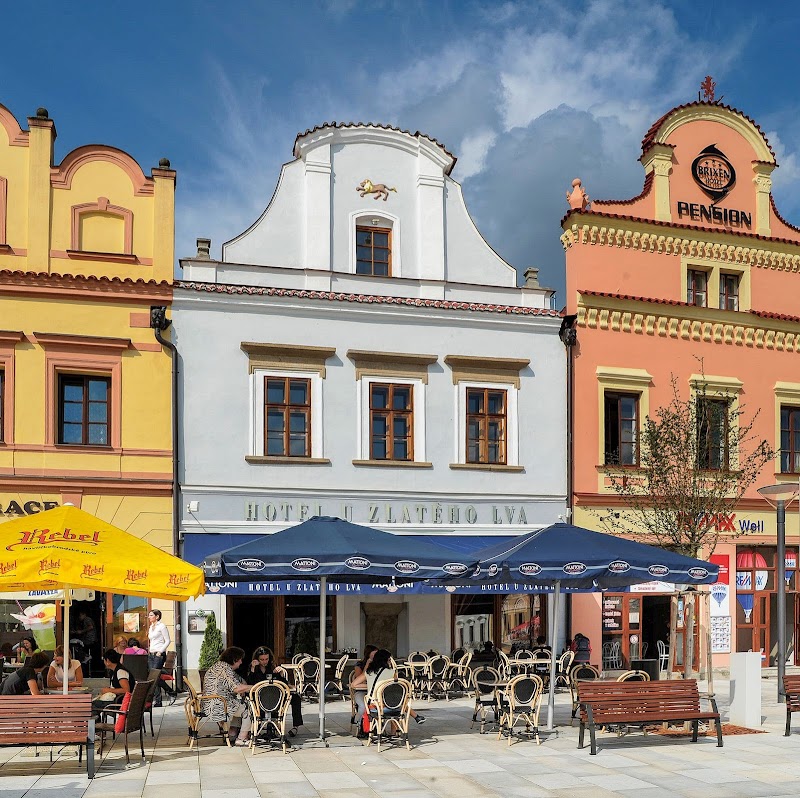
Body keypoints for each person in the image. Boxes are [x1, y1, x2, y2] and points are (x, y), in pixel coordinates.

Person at [246, 646, 303, 737]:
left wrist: (280, 674)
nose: (264, 661)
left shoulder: (272, 667)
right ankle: (259, 725)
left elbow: (282, 683)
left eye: (266, 659)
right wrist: (252, 669)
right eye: (262, 659)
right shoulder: (253, 668)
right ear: (257, 659)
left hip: (275, 696)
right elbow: (250, 684)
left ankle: (295, 726)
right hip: (259, 698)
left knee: (296, 697)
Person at [202, 646, 252, 746]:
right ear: (234, 660)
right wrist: (255, 687)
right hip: (218, 706)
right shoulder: (225, 669)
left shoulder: (220, 666)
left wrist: (245, 687)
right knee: (250, 707)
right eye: (240, 660)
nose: (241, 662)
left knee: (239, 703)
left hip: (210, 702)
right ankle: (241, 738)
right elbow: (237, 688)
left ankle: (232, 733)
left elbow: (239, 682)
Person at [92, 648, 135, 714]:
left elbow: (126, 690)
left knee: (93, 705)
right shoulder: (115, 671)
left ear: (108, 661)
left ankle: (96, 723)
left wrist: (109, 690)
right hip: (118, 699)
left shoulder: (120, 672)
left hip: (120, 701)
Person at [350, 644, 378, 735]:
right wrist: (367, 665)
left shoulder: (379, 665)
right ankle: (359, 722)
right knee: (363, 706)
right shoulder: (360, 665)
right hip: (361, 691)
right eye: (374, 654)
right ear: (368, 654)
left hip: (375, 692)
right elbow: (359, 679)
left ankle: (376, 726)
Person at [147, 609, 171, 707]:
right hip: (151, 654)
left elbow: (168, 640)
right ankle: (168, 693)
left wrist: (160, 651)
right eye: (149, 615)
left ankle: (159, 700)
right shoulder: (151, 627)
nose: (149, 617)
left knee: (155, 676)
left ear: (157, 616)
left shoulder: (162, 626)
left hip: (158, 654)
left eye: (151, 615)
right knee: (152, 677)